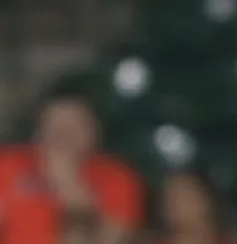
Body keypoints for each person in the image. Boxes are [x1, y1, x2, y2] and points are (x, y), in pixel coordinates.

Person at [0, 92, 144, 244]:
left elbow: (108, 239)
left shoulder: (118, 178)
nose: (63, 135)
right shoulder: (9, 163)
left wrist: (69, 187)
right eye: (54, 127)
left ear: (94, 131)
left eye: (75, 125)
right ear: (38, 134)